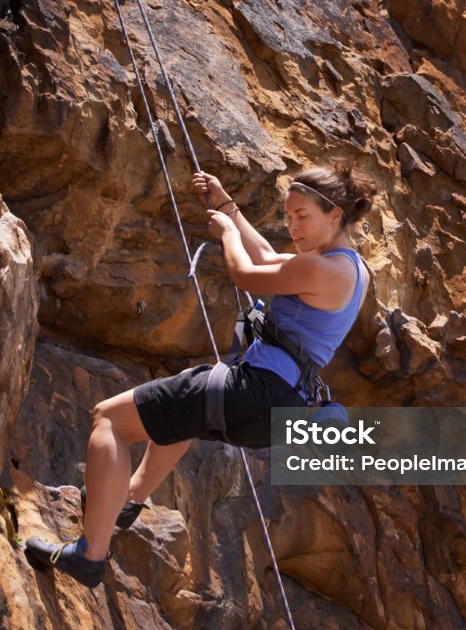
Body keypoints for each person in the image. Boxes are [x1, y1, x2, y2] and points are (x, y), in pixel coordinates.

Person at [25, 160, 376, 587]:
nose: (293, 226)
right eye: (288, 216)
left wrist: (228, 235)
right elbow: (269, 258)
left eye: (302, 216)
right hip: (279, 407)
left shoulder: (320, 269)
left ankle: (89, 554)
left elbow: (246, 272)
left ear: (335, 214)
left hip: (253, 391)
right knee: (180, 416)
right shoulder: (353, 270)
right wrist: (228, 205)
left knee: (109, 418)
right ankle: (129, 500)